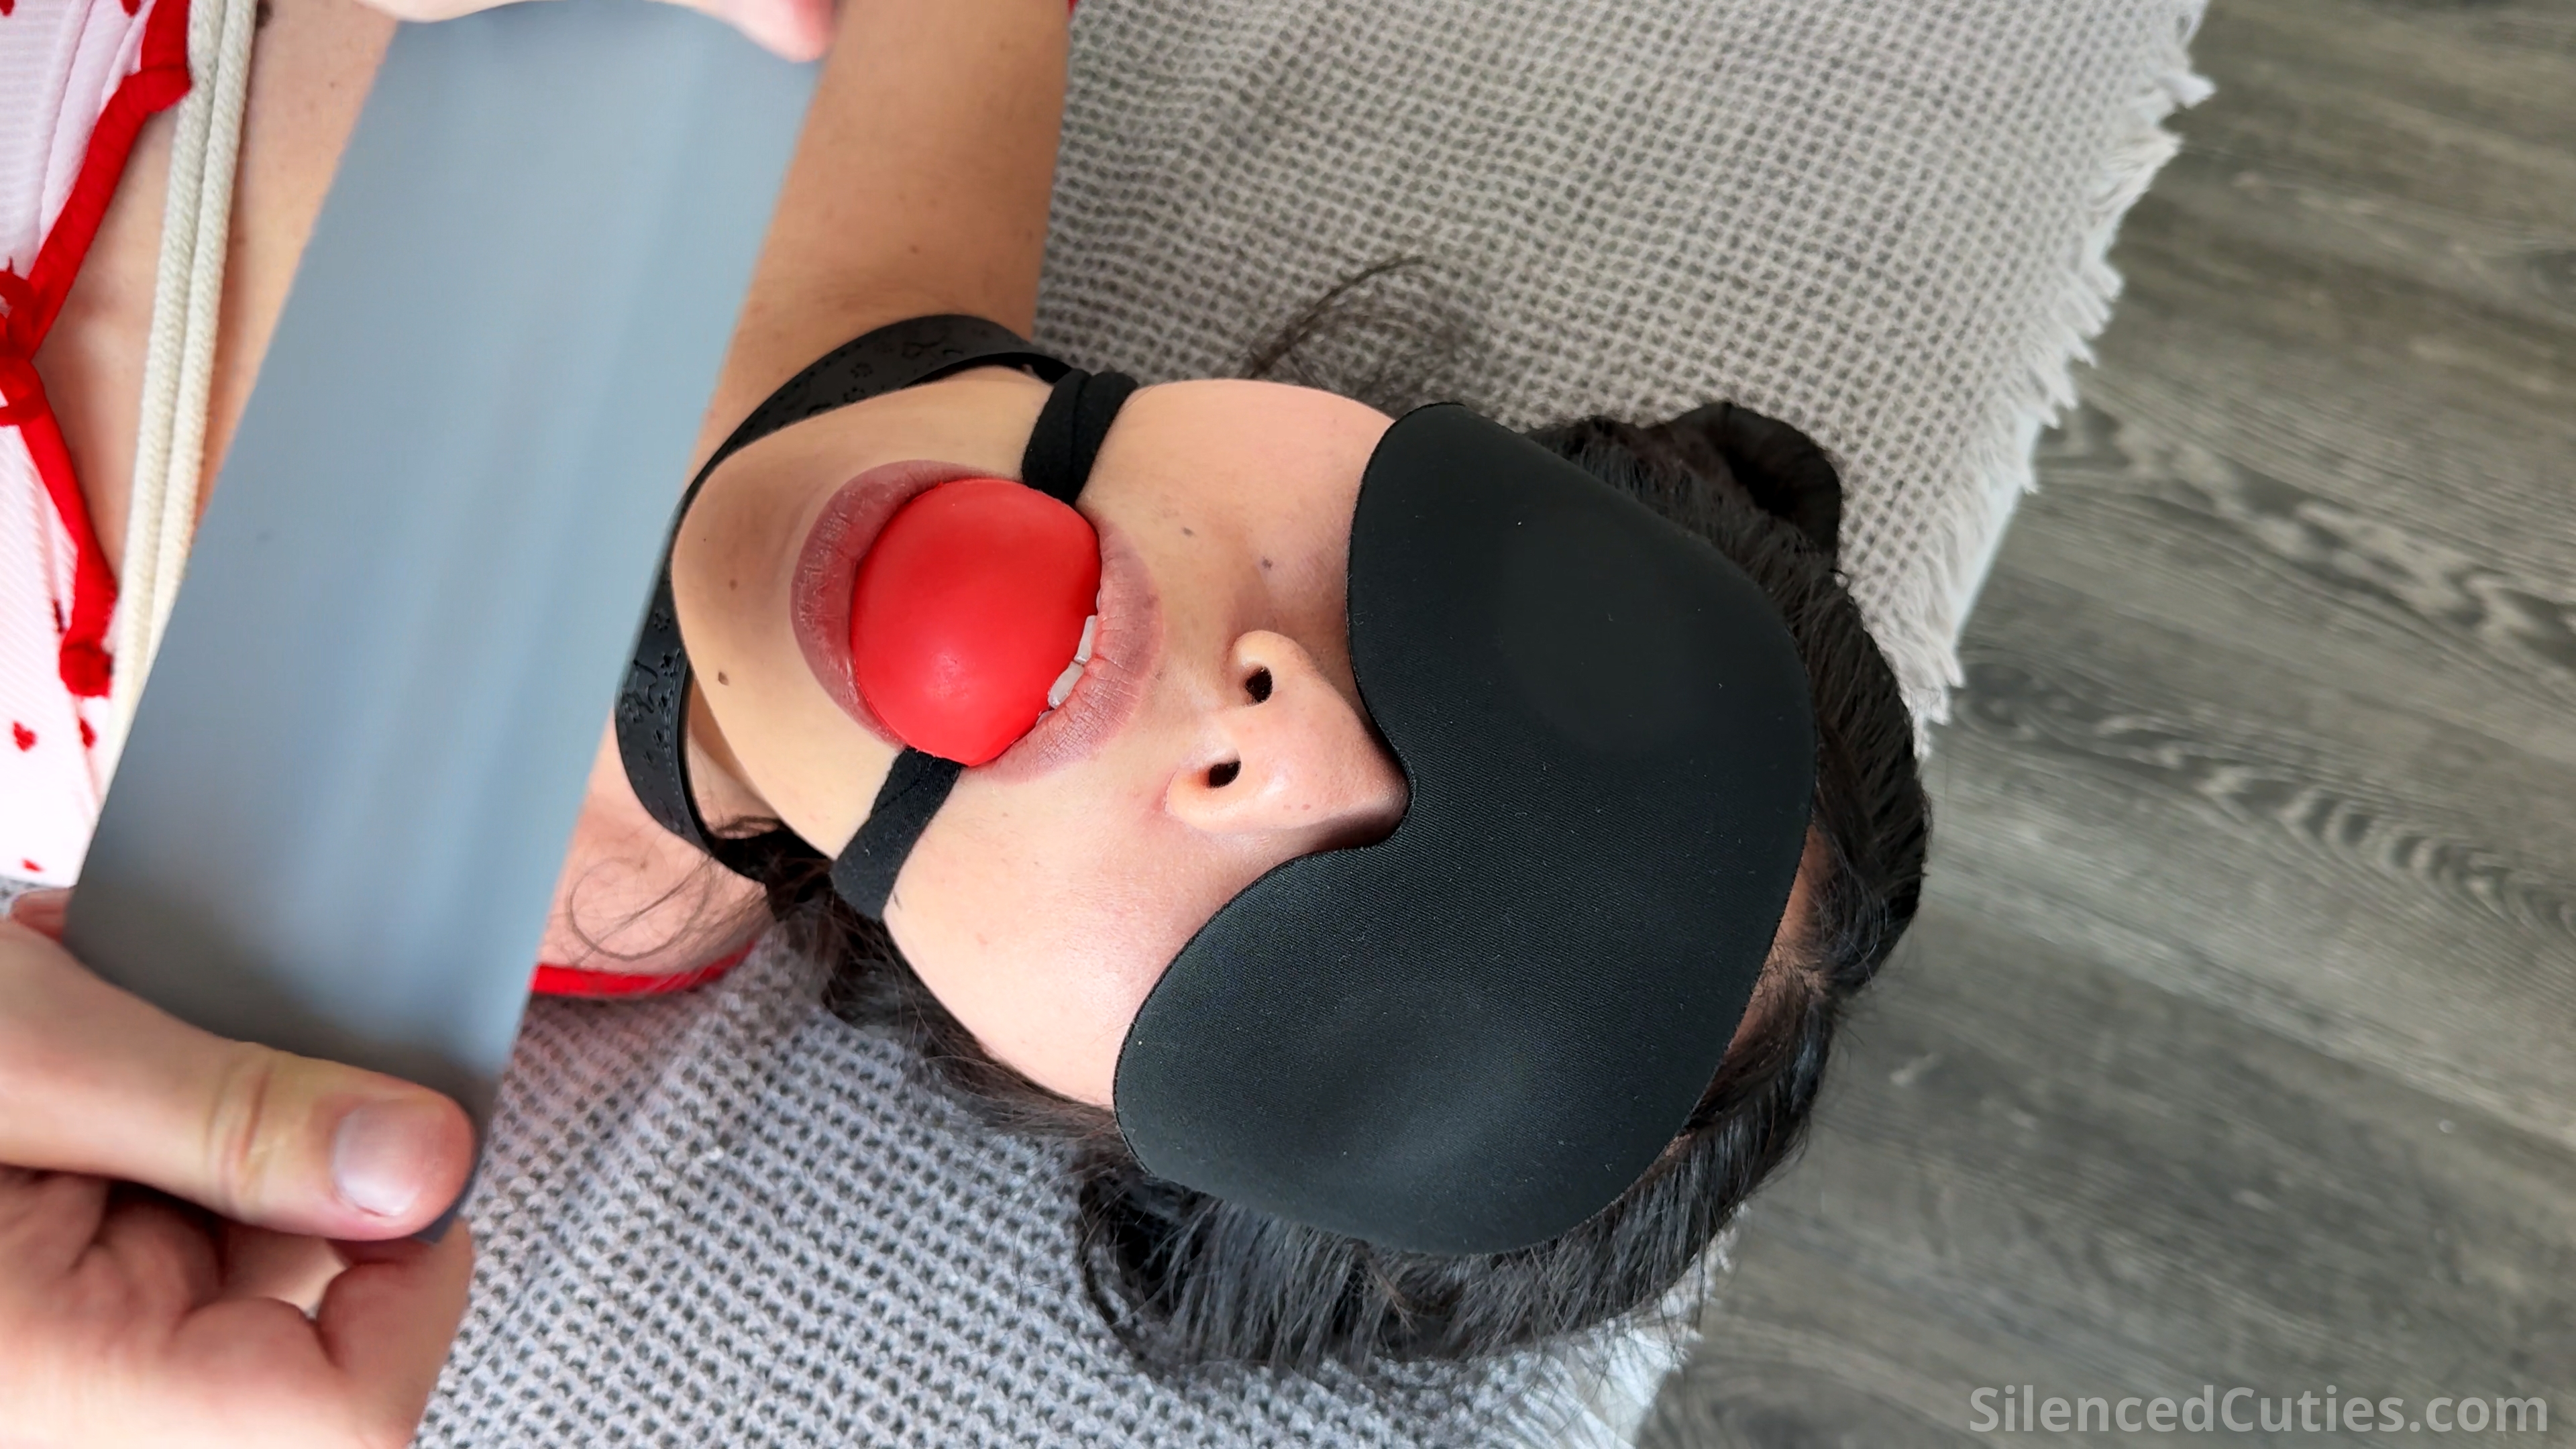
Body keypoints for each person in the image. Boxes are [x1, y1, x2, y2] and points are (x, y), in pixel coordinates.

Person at [0, 0, 1929, 1440]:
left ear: (1090, 1105)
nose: (1286, 739)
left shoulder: (197, 1060)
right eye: (1490, 628)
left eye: (1336, 1005)